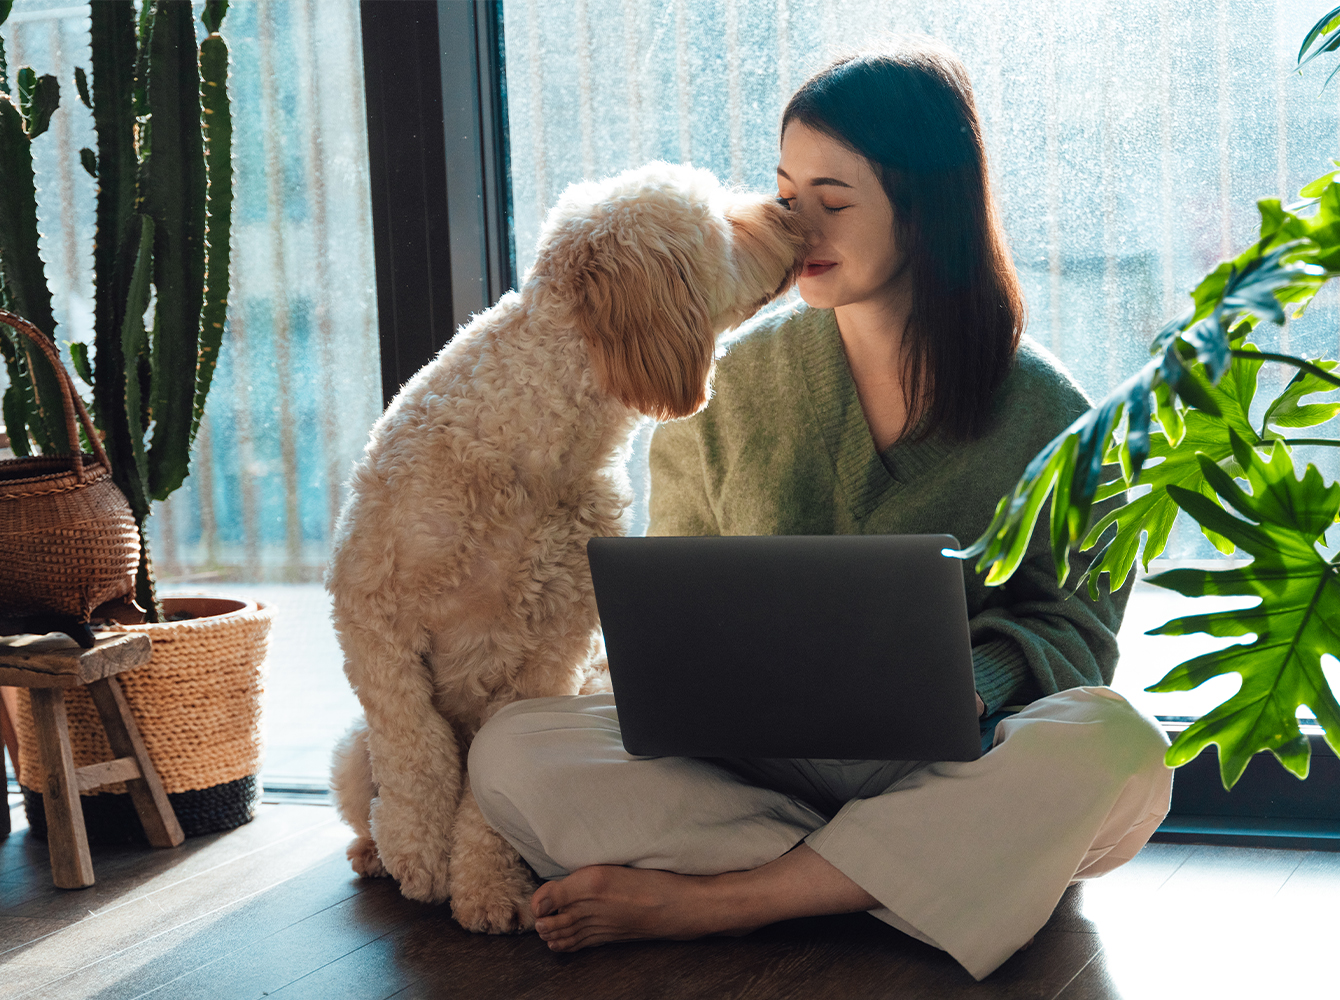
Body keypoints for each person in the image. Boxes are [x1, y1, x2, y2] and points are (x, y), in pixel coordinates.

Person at [467, 37, 1173, 981]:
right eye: (787, 195)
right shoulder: (727, 385)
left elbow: (1076, 629)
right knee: (513, 748)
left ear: (927, 211)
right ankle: (905, 874)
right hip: (750, 768)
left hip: (943, 766)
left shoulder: (1051, 413)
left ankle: (730, 899)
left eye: (833, 202)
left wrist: (979, 685)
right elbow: (673, 607)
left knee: (1119, 752)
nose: (799, 226)